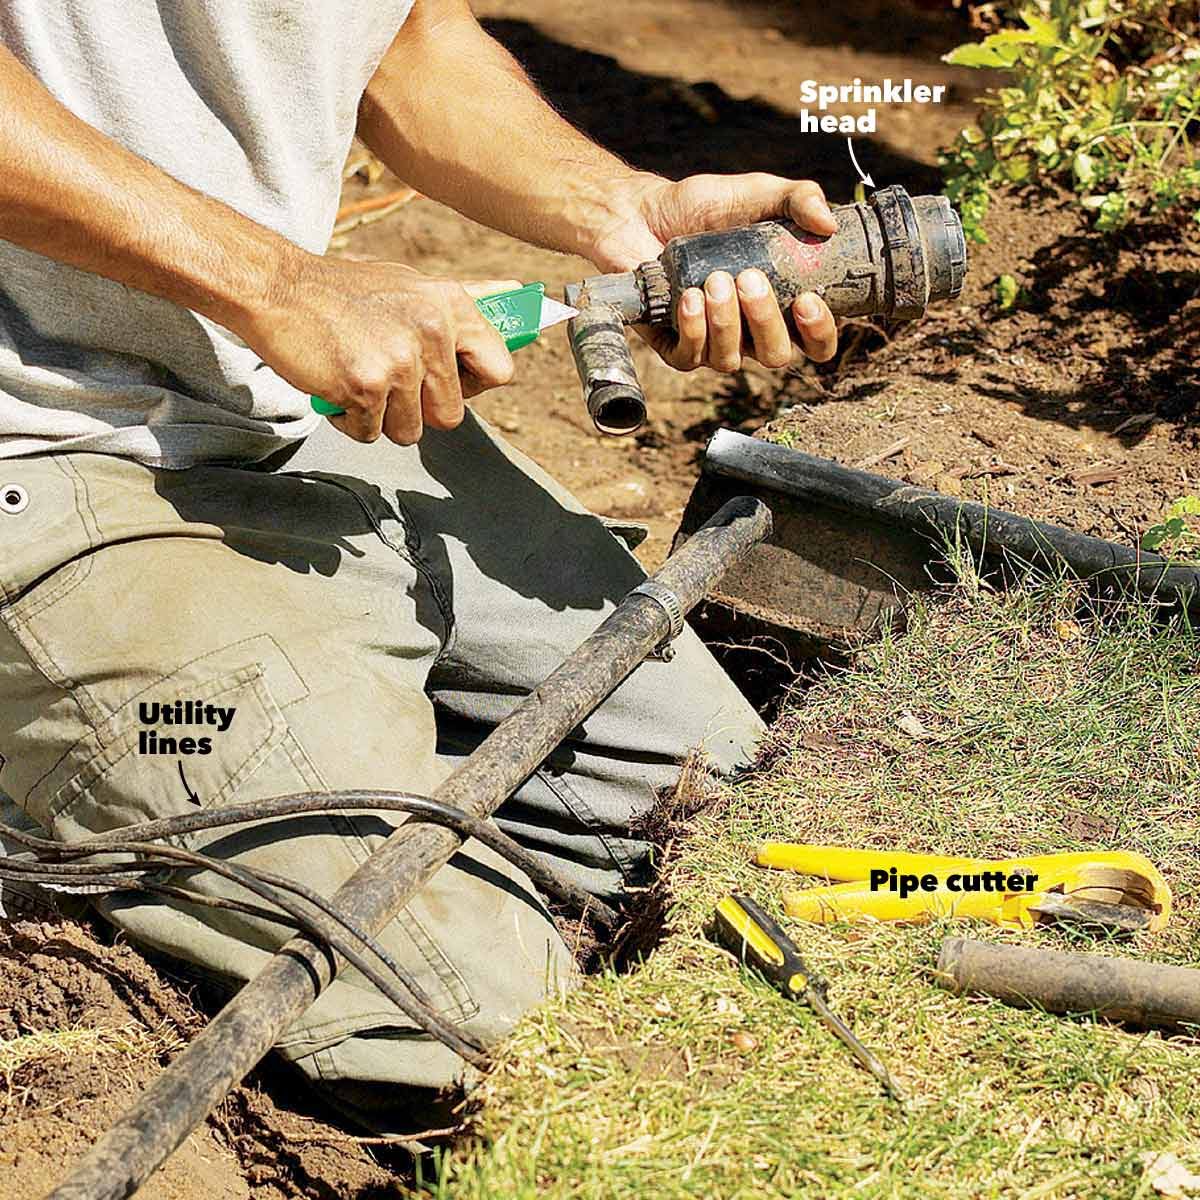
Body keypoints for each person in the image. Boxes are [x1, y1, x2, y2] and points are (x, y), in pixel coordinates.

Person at [0, 0, 837, 1124]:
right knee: (498, 1029)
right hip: (49, 455)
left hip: (306, 416)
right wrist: (283, 286)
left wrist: (627, 209)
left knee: (749, 836)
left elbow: (391, 33)